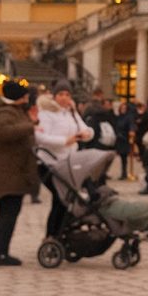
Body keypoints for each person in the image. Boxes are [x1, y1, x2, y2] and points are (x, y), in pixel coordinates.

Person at [0, 81, 40, 265]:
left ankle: (1, 251)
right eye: (24, 95)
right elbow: (5, 132)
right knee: (7, 213)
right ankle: (0, 253)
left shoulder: (14, 111)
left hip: (14, 171)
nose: (27, 98)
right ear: (17, 97)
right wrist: (31, 126)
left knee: (9, 212)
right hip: (6, 172)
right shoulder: (3, 112)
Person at [35, 79, 93, 237]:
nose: (64, 98)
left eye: (67, 94)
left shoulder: (71, 113)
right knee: (60, 199)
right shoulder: (46, 113)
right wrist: (64, 141)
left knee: (66, 200)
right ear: (54, 96)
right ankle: (51, 235)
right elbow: (40, 137)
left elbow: (85, 129)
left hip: (68, 163)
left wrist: (86, 134)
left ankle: (61, 233)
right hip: (50, 163)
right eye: (60, 94)